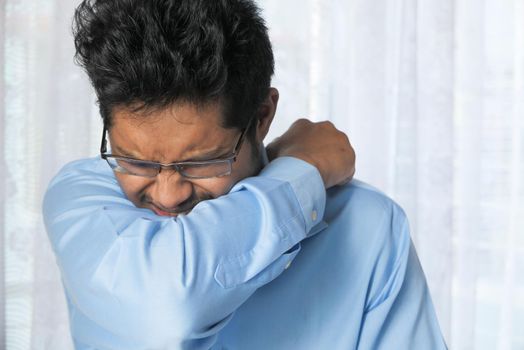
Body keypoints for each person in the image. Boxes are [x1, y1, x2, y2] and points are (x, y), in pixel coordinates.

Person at [42, 0, 447, 349]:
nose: (167, 195)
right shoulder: (82, 197)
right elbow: (165, 313)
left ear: (262, 116)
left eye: (199, 163)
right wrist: (305, 170)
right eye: (137, 161)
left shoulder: (368, 227)